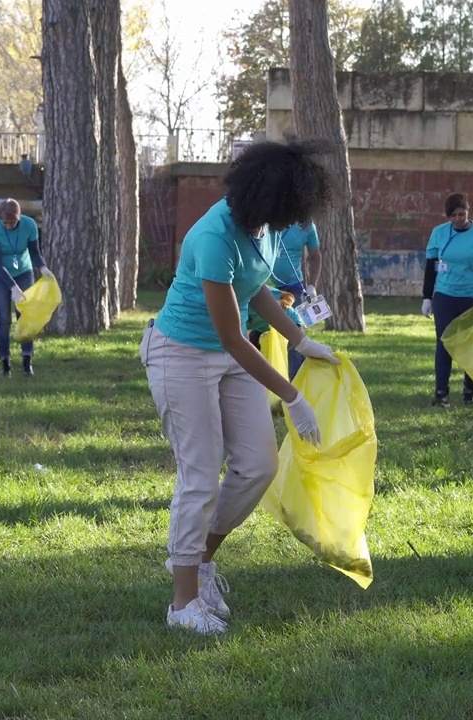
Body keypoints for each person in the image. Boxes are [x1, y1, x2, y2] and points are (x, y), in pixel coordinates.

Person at [139, 139, 340, 635]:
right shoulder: (214, 236)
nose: (289, 221)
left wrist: (300, 338)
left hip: (226, 357)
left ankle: (200, 561)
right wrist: (291, 397)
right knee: (202, 475)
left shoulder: (264, 227)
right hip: (181, 354)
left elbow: (256, 292)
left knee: (257, 465)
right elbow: (231, 335)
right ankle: (183, 603)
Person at [421, 193, 473, 407]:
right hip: (446, 296)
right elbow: (431, 266)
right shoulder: (439, 234)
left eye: (462, 214)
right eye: (453, 215)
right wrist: (427, 297)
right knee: (444, 343)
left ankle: (469, 392)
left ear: (468, 212)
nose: (458, 218)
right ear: (447, 216)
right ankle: (441, 393)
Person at [0, 198, 52, 376]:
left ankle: (27, 361)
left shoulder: (29, 225)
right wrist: (13, 288)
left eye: (12, 222)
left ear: (19, 217)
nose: (9, 226)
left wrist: (43, 268)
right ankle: (5, 363)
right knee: (4, 319)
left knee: (26, 316)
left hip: (23, 271)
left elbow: (35, 252)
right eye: (5, 223)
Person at [271, 221, 321, 378]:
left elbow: (315, 257)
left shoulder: (306, 225)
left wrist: (312, 286)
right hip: (266, 287)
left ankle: (297, 384)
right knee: (261, 335)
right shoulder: (267, 218)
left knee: (296, 339)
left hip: (294, 289)